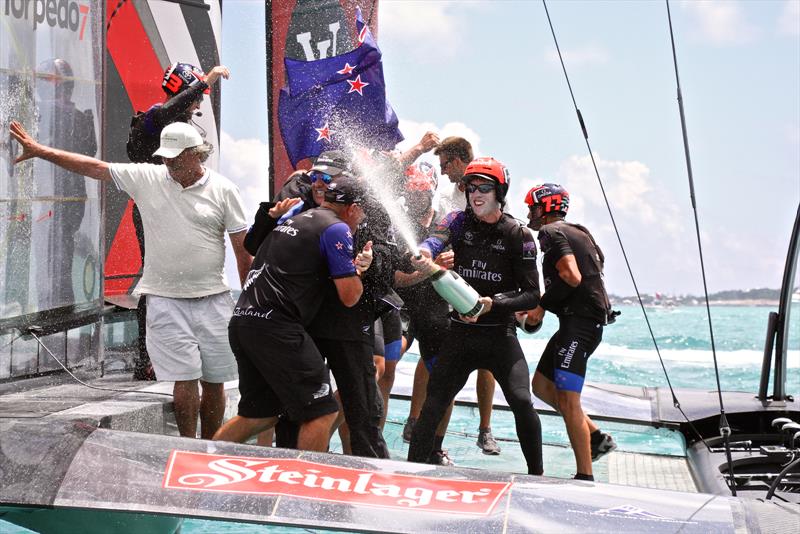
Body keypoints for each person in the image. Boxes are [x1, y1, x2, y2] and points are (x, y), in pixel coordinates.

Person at [9, 120, 252, 439]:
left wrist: (249, 302)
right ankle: (188, 446)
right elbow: (94, 167)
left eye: (176, 157)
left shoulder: (224, 190)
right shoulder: (148, 177)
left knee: (214, 379)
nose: (168, 162)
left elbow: (243, 253)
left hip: (214, 299)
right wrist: (41, 151)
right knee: (185, 377)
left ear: (196, 155)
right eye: (165, 156)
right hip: (164, 299)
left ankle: (212, 446)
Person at [213, 174, 373, 452]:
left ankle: (199, 461)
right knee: (322, 411)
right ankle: (306, 490)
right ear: (353, 207)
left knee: (259, 415)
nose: (363, 218)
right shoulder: (337, 229)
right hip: (276, 327)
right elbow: (350, 297)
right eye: (363, 211)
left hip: (243, 323)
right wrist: (358, 270)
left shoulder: (295, 219)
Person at [407, 157, 544, 475]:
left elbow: (532, 294)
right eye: (471, 188)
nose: (476, 194)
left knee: (522, 401)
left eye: (485, 187)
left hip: (499, 334)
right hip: (460, 335)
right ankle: (412, 472)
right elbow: (436, 238)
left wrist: (491, 303)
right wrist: (427, 251)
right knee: (433, 403)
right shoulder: (457, 220)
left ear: (500, 192)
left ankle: (537, 477)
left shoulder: (518, 235)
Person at [127, 62, 230, 381]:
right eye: (197, 95)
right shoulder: (155, 116)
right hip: (154, 208)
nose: (200, 103)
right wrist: (205, 81)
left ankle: (186, 349)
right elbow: (168, 110)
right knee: (156, 278)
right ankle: (146, 359)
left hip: (182, 208)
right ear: (184, 90)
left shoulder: (185, 125)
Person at [521, 183, 618, 481]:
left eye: (533, 207)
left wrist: (540, 307)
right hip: (578, 325)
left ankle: (585, 475)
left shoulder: (552, 233)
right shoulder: (579, 231)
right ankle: (597, 436)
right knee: (541, 386)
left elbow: (572, 276)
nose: (529, 213)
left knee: (569, 400)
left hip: (580, 327)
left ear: (547, 208)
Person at [392, 162, 458, 465]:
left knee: (447, 380)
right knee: (380, 365)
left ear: (431, 191)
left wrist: (452, 260)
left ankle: (435, 446)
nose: (418, 197)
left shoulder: (445, 226)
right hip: (403, 310)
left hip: (435, 312)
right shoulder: (396, 224)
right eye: (412, 192)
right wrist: (430, 270)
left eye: (422, 192)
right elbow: (395, 278)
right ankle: (369, 436)